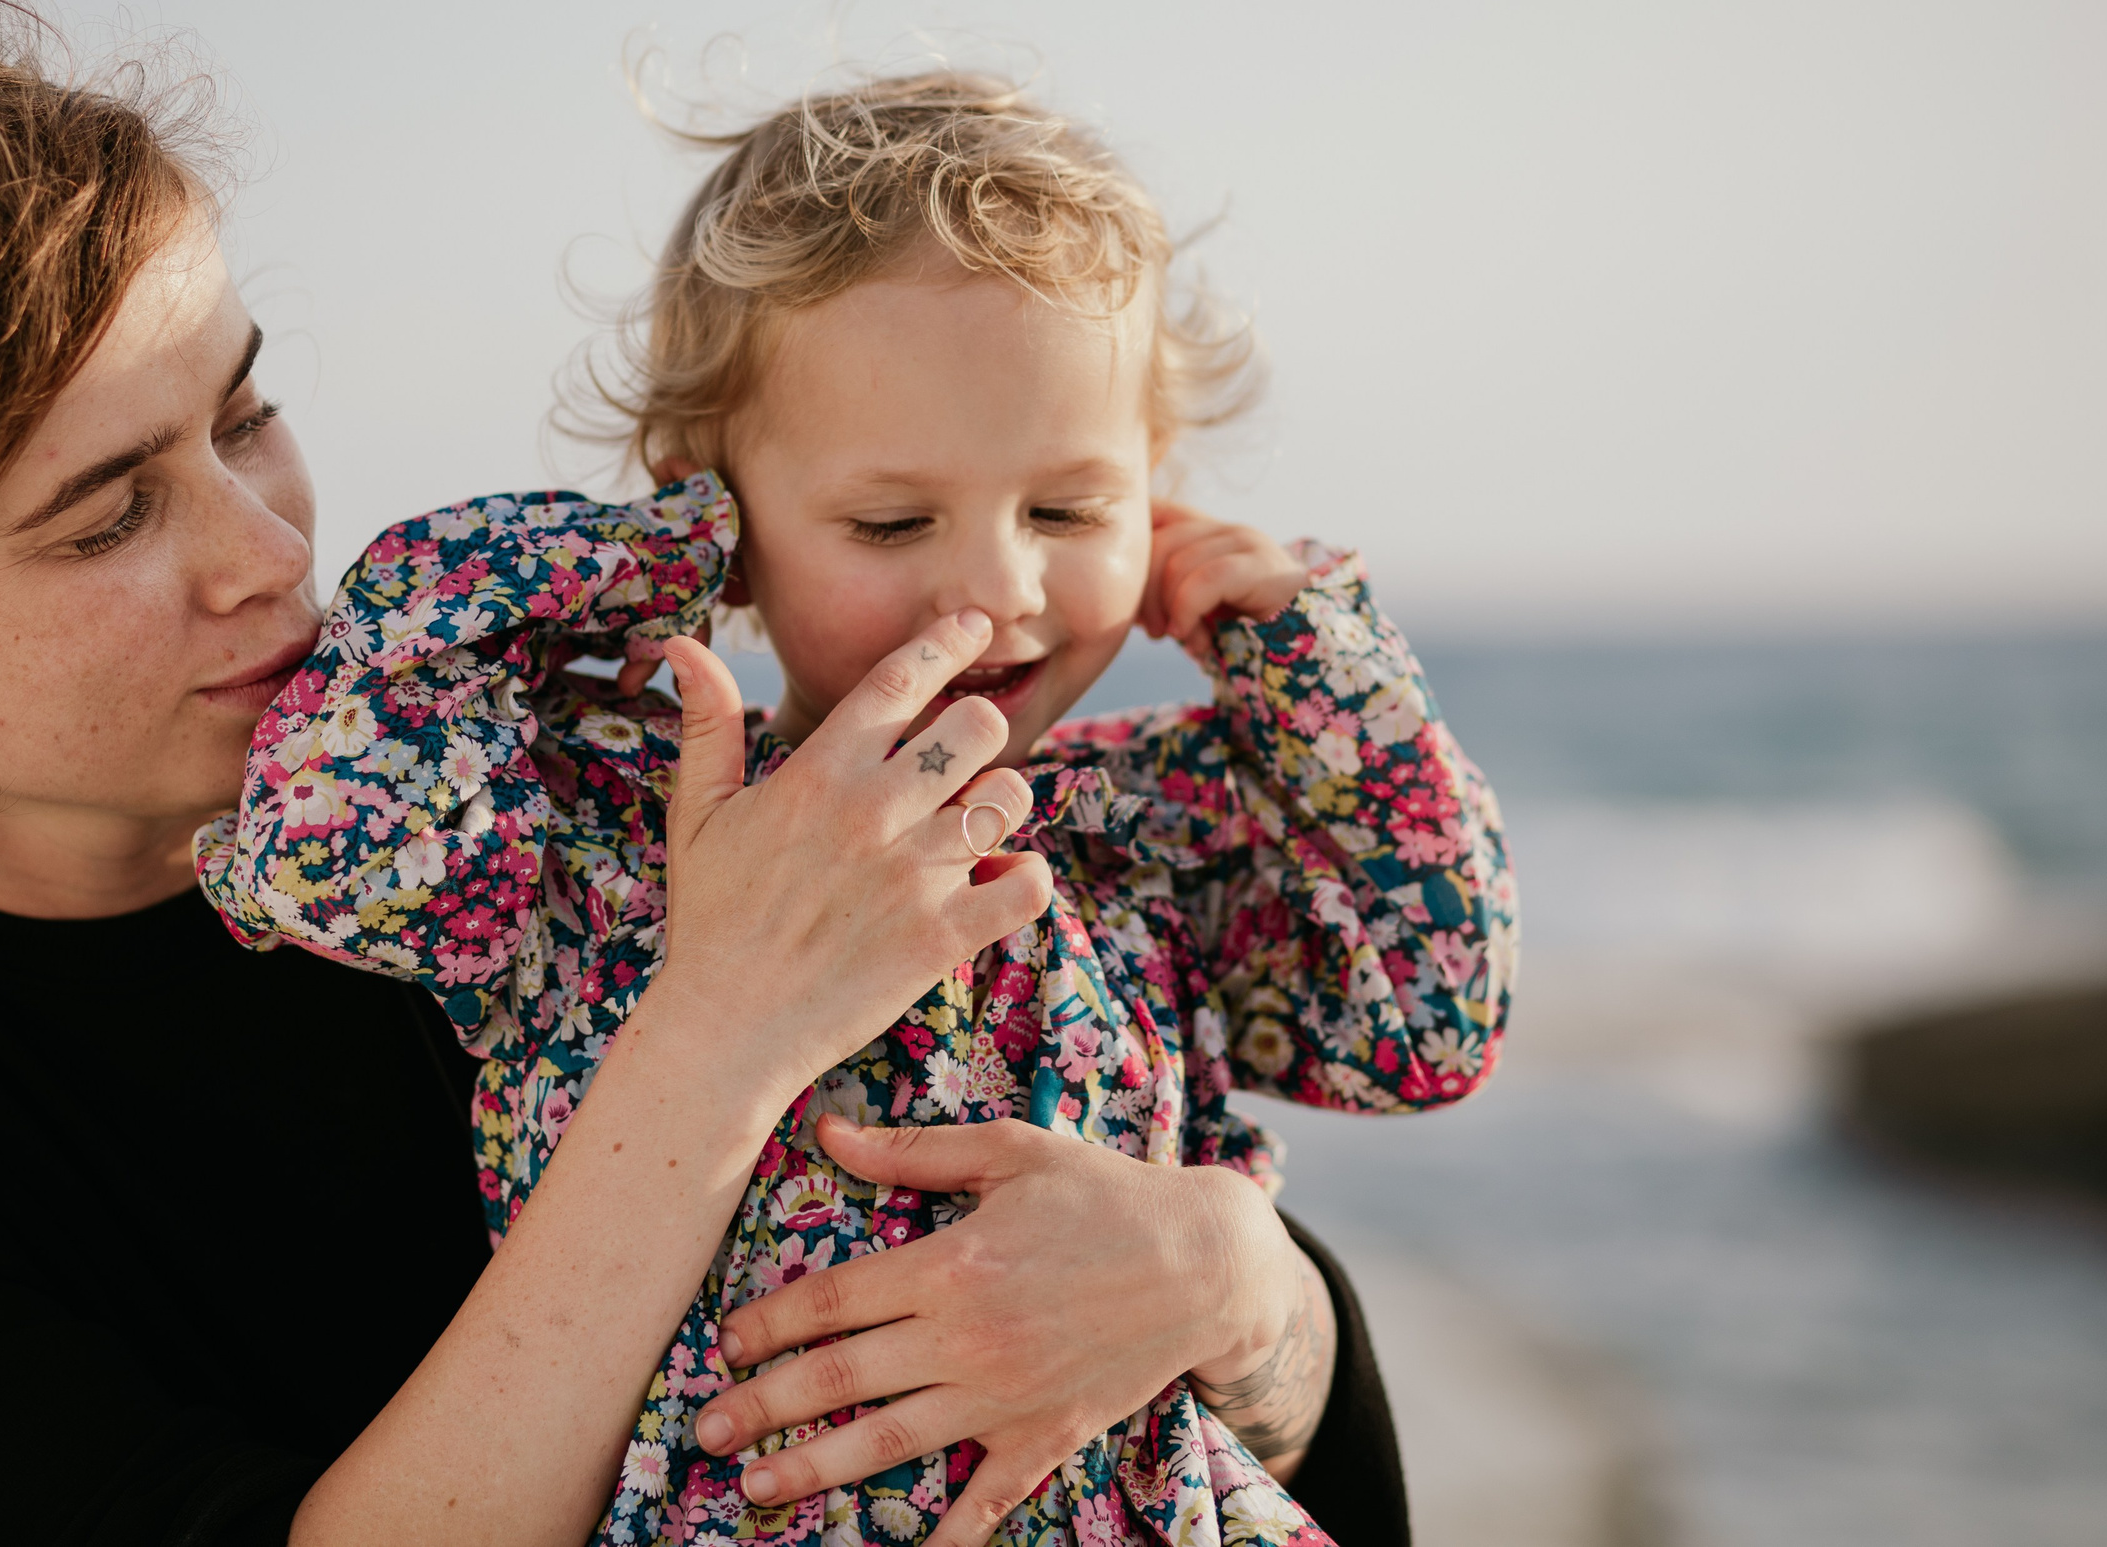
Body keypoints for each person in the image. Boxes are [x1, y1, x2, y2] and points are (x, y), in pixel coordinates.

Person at [0, 0, 1414, 1546]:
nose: (268, 551)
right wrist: (716, 1039)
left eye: (244, 413)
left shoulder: (487, 789)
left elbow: (1156, 1336)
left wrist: (1233, 1292)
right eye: (108, 518)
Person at [199, 76, 1516, 1547]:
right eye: (893, 521)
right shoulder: (605, 827)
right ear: (722, 514)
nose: (1000, 588)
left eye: (1070, 510)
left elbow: (1427, 1020)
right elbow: (333, 857)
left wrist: (1316, 662)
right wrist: (644, 561)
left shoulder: (1144, 829)